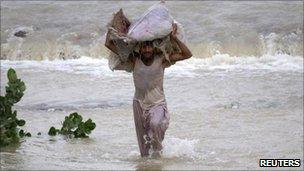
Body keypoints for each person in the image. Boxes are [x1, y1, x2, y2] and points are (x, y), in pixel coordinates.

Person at [105, 23, 192, 157]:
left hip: (157, 103)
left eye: (149, 46)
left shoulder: (162, 60)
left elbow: (187, 54)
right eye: (144, 47)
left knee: (155, 124)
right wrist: (112, 29)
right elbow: (109, 44)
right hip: (139, 103)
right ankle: (149, 164)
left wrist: (174, 38)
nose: (147, 50)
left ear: (153, 47)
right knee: (143, 146)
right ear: (140, 48)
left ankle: (158, 154)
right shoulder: (134, 60)